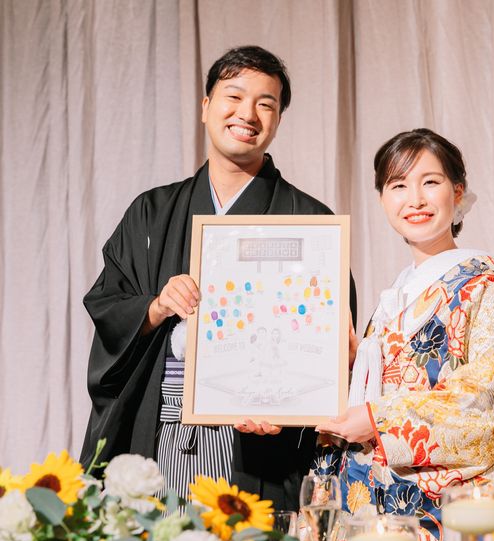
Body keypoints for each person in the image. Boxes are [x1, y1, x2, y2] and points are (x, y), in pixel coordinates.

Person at [80, 45, 357, 511]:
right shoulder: (152, 212)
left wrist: (289, 408)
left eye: (265, 104)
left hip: (258, 442)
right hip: (165, 424)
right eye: (234, 96)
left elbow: (327, 344)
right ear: (206, 106)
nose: (247, 114)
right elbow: (109, 305)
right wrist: (156, 307)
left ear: (278, 120)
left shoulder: (310, 221)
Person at [309, 128, 494, 541]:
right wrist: (357, 366)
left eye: (430, 182)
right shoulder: (396, 295)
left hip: (444, 509)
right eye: (398, 185)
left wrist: (378, 420)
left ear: (458, 192)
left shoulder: (481, 281)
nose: (415, 199)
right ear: (382, 199)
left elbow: (489, 402)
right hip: (379, 502)